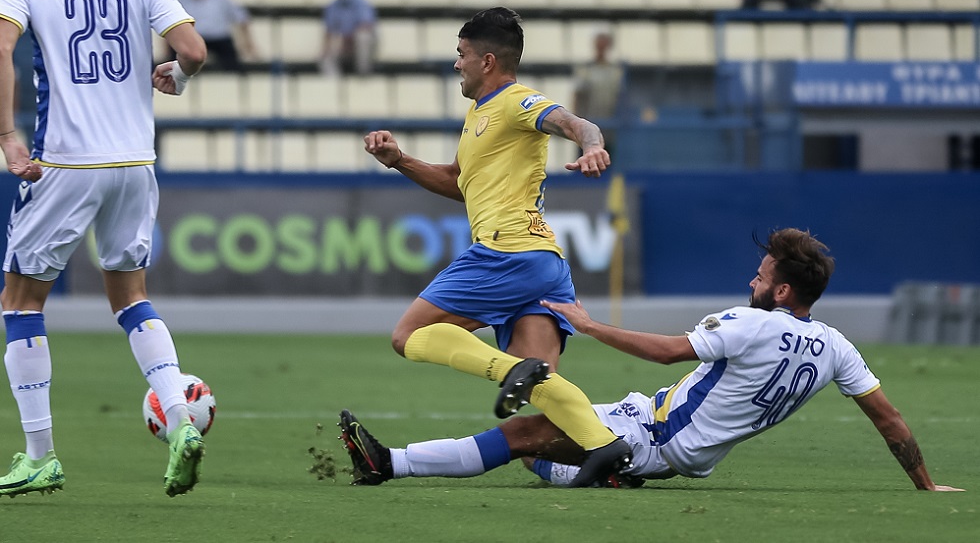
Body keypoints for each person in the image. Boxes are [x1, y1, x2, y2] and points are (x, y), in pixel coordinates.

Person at [339, 228, 964, 492]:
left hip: (657, 439)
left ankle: (387, 464)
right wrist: (925, 484)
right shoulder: (837, 347)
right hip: (658, 427)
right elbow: (890, 420)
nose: (753, 276)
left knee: (525, 436)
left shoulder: (748, 322)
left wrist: (588, 324)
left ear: (780, 291)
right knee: (542, 436)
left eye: (762, 272)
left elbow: (667, 352)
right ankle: (604, 473)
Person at [358, 7, 630, 487]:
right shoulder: (479, 116)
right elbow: (460, 182)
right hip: (544, 265)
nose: (456, 64)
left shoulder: (516, 102)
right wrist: (398, 159)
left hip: (505, 253)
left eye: (461, 55)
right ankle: (606, 448)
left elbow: (574, 123)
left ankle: (514, 370)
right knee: (541, 395)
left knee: (407, 336)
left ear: (487, 60)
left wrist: (591, 146)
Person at [0, 0, 208, 498]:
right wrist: (178, 78)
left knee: (19, 303)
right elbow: (191, 51)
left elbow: (1, 49)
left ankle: (40, 456)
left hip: (65, 161)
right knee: (131, 296)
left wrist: (8, 139)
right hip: (134, 162)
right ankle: (178, 417)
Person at [176, 0, 256, 71]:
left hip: (220, 39)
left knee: (234, 66)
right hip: (195, 39)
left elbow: (241, 17)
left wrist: (248, 44)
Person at [572, 26, 624, 154]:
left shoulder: (615, 72)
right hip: (586, 133)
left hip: (610, 132)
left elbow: (621, 98)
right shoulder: (585, 71)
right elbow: (577, 97)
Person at [320, 0, 376, 76]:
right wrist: (326, 48)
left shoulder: (362, 2)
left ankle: (363, 74)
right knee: (326, 55)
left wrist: (350, 38)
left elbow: (366, 25)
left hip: (357, 43)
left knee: (363, 37)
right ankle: (334, 85)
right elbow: (329, 30)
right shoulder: (333, 5)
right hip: (343, 44)